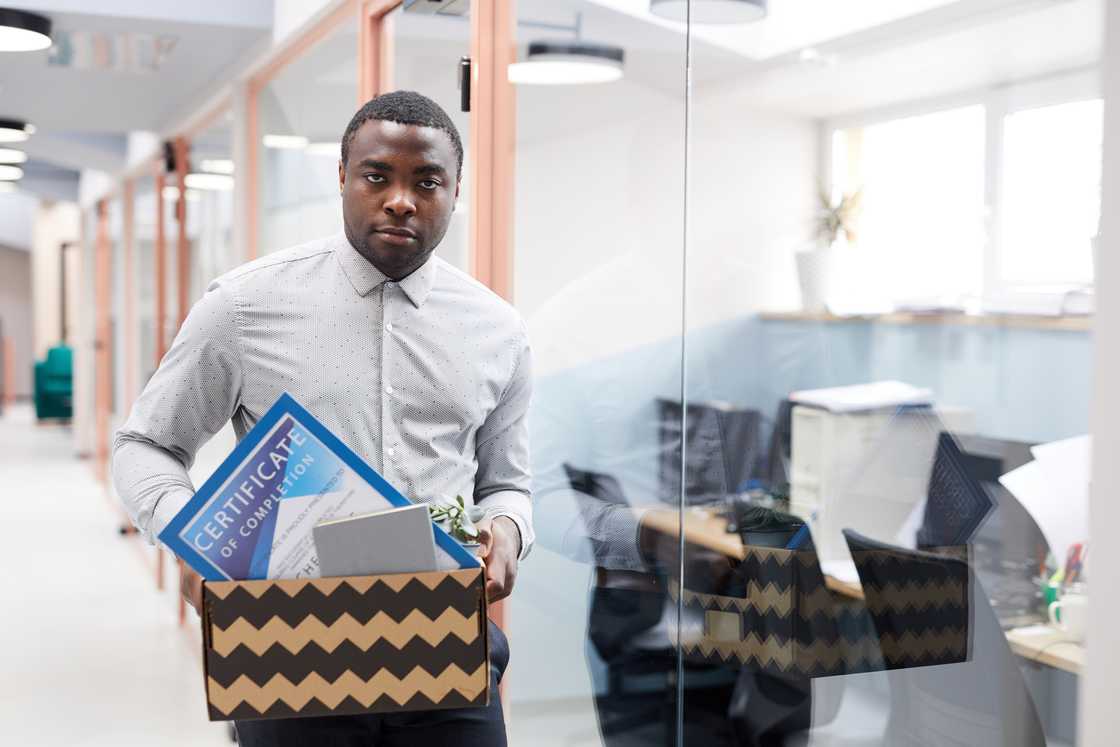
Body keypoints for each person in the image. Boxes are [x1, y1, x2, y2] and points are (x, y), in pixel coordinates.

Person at [112, 90, 532, 746]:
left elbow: (507, 483)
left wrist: (505, 531)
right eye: (376, 176)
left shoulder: (498, 330)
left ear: (455, 191)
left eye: (427, 181)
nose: (401, 199)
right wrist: (193, 546)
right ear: (341, 178)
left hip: (447, 650)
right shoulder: (246, 306)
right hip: (291, 656)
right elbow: (146, 444)